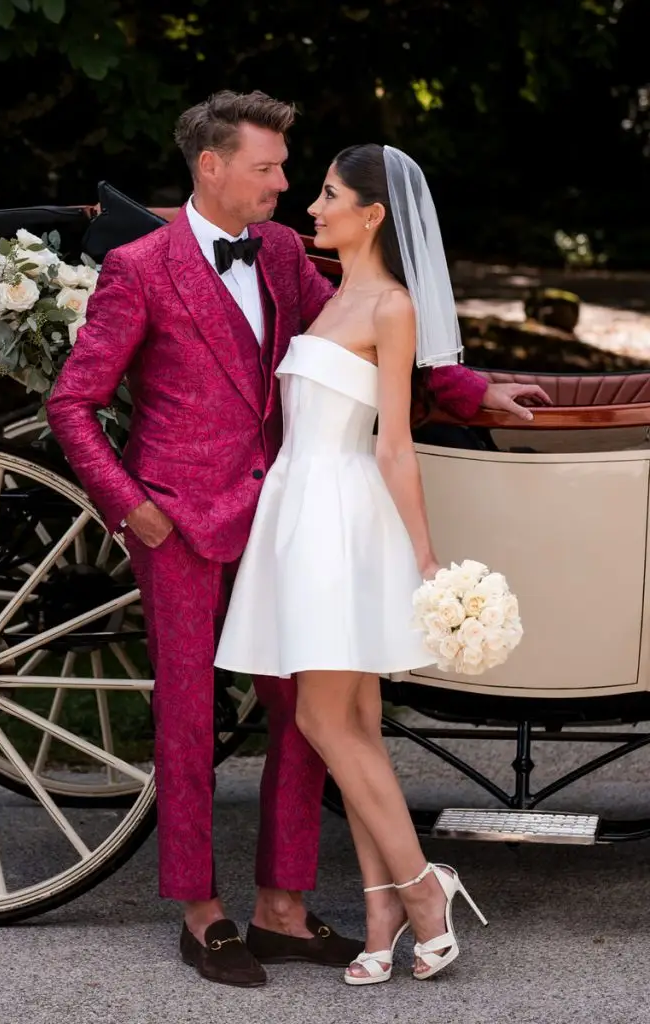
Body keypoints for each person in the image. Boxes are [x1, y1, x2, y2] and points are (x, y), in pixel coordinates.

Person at [46, 91, 549, 988]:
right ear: (212, 166)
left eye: (289, 170)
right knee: (188, 718)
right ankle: (202, 913)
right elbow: (72, 404)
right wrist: (131, 508)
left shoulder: (281, 253)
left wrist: (475, 391)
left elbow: (368, 346)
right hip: (178, 521)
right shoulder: (140, 266)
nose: (284, 184)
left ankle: (281, 907)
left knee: (304, 719)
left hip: (288, 521)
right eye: (268, 167)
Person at [215, 142, 497, 984]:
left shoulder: (392, 307)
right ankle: (383, 914)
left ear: (372, 215)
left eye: (330, 195)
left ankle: (425, 890)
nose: (313, 206)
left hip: (341, 520)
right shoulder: (331, 295)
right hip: (298, 510)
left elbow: (394, 445)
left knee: (322, 720)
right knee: (357, 726)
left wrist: (424, 556)